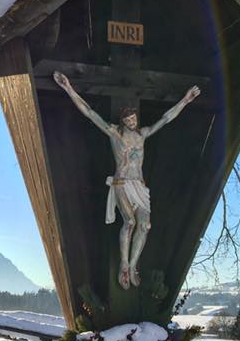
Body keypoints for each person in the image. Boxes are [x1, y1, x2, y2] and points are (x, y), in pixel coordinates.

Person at [53, 71, 200, 289]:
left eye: (134, 119)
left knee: (145, 225)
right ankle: (123, 264)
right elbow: (90, 113)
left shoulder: (142, 135)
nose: (133, 122)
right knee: (129, 222)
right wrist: (68, 88)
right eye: (129, 120)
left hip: (139, 185)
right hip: (121, 183)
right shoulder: (115, 134)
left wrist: (186, 100)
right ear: (122, 121)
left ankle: (132, 266)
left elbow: (166, 119)